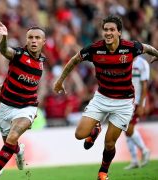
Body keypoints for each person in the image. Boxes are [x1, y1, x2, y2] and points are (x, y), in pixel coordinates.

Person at [53, 15, 158, 180]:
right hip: (101, 98)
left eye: (112, 30)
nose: (108, 33)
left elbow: (147, 48)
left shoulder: (130, 47)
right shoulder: (95, 49)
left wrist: (157, 54)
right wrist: (60, 81)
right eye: (106, 30)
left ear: (119, 32)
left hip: (124, 103)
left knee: (109, 143)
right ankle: (95, 130)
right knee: (79, 135)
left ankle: (103, 172)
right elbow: (74, 60)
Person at [0, 21, 46, 180]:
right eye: (30, 38)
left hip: (27, 107)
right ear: (26, 40)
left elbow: (27, 78)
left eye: (37, 38)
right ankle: (18, 152)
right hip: (6, 107)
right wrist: (4, 38)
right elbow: (4, 50)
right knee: (10, 143)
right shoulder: (19, 54)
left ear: (43, 41)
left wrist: (7, 83)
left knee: (12, 137)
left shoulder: (42, 60)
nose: (33, 41)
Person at [124, 56, 151, 170]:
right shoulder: (125, 60)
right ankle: (134, 160)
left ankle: (144, 150)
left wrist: (141, 104)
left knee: (128, 129)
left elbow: (145, 84)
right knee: (126, 129)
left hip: (136, 101)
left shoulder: (142, 63)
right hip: (126, 100)